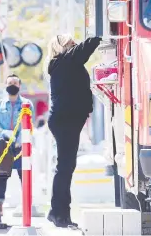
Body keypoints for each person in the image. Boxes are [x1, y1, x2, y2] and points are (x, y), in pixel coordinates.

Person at [45, 34, 101, 227]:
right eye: (71, 43)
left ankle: (59, 213)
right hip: (65, 121)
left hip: (67, 120)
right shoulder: (65, 61)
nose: (75, 45)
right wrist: (99, 35)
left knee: (66, 167)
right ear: (63, 47)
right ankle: (58, 213)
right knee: (65, 168)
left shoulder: (63, 63)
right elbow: (88, 46)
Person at [0, 74, 34, 216]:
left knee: (25, 174)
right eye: (10, 83)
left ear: (19, 86)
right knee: (1, 176)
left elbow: (29, 123)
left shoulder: (26, 104)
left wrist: (20, 138)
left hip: (21, 147)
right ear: (5, 85)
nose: (12, 85)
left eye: (15, 83)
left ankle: (27, 206)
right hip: (4, 147)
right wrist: (5, 133)